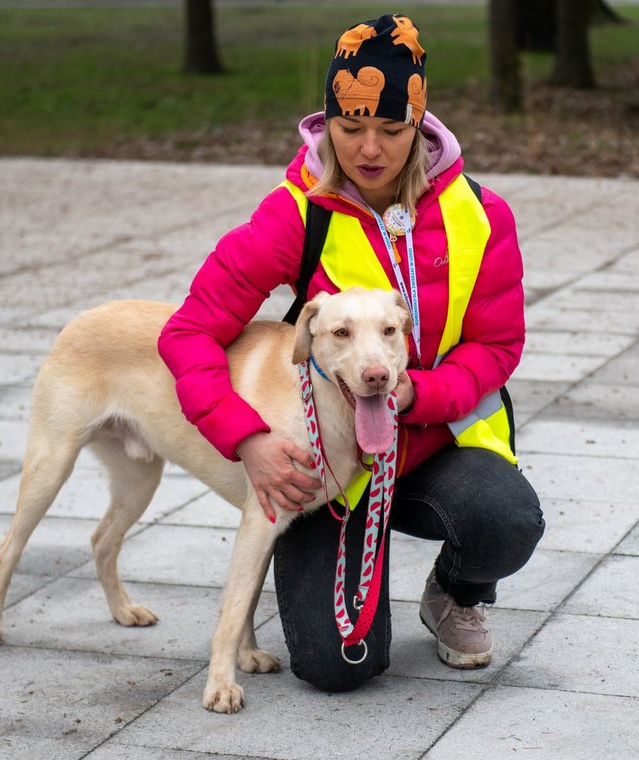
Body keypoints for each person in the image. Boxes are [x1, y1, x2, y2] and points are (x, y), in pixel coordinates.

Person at [158, 13, 544, 693]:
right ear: (326, 121)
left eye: (391, 130)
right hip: (328, 465)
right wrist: (246, 438)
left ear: (419, 124)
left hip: (435, 441)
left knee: (505, 518)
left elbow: (497, 345)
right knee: (336, 671)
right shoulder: (296, 211)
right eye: (350, 126)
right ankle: (326, 564)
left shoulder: (480, 216)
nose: (369, 148)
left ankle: (455, 591)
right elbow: (187, 332)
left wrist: (419, 394)